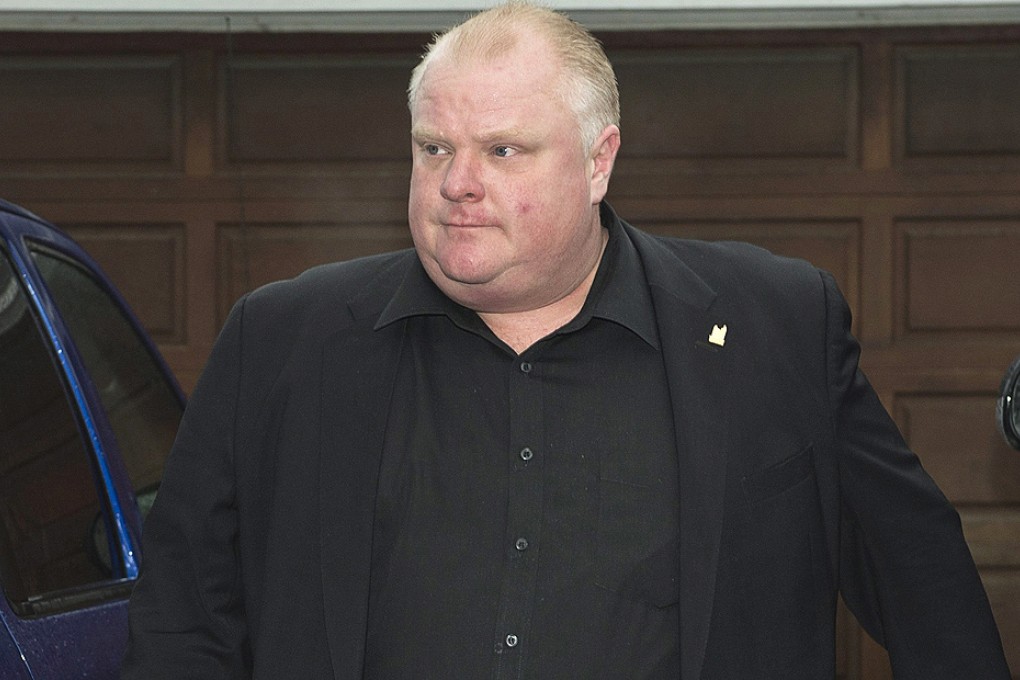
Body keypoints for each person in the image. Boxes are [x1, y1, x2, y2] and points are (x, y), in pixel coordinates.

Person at [122, 2, 1011, 678]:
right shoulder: (281, 343)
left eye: (504, 151)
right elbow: (184, 619)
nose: (458, 184)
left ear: (598, 160)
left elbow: (924, 586)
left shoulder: (776, 325)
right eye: (435, 149)